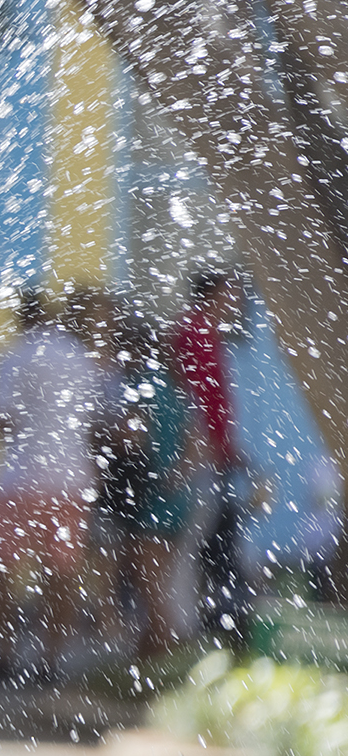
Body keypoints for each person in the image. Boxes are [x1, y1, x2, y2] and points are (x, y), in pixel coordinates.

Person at [0, 287, 109, 682]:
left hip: (20, 477)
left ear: (22, 317)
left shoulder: (14, 356)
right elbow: (93, 420)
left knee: (4, 573)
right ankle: (50, 662)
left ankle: (5, 657)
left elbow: (4, 420)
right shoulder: (78, 357)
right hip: (71, 479)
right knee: (61, 575)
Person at [104, 319, 204, 658]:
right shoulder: (176, 388)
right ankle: (145, 663)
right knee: (161, 586)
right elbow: (196, 444)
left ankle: (173, 660)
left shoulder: (137, 386)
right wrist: (178, 477)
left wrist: (100, 433)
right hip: (178, 498)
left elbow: (129, 436)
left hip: (149, 497)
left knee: (151, 592)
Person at [172, 270, 251, 643]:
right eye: (229, 292)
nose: (236, 300)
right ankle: (185, 629)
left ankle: (208, 621)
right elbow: (198, 400)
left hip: (209, 454)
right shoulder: (198, 331)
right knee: (192, 543)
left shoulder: (204, 331)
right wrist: (215, 449)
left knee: (209, 541)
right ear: (213, 294)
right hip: (200, 456)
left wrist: (229, 449)